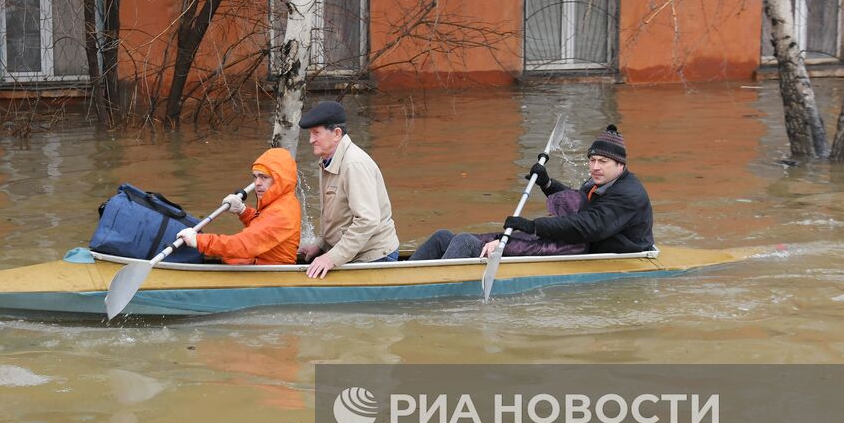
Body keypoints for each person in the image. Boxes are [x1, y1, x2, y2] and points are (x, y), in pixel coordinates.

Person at [494, 123, 654, 255]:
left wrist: (535, 226)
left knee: (530, 240)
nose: (595, 167)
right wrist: (547, 184)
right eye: (592, 160)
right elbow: (577, 203)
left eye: (603, 161)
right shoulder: (601, 180)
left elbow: (589, 225)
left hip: (623, 254)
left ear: (621, 165)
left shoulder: (628, 194)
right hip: (592, 243)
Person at [296, 100, 400, 278]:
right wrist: (320, 244)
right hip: (353, 252)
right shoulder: (327, 159)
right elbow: (336, 217)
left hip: (375, 257)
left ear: (336, 134)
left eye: (316, 133)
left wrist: (331, 258)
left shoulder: (354, 164)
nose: (311, 139)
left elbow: (367, 221)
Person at [177, 148, 301, 265]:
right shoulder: (281, 201)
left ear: (280, 180)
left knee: (233, 254)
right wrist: (243, 211)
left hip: (273, 275)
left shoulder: (282, 212)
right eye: (255, 176)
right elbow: (262, 225)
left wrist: (199, 241)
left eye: (264, 177)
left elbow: (244, 245)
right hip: (264, 263)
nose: (257, 183)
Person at [409, 189, 587, 261]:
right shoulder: (558, 230)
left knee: (463, 240)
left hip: (502, 255)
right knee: (443, 236)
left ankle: (433, 283)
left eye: (554, 213)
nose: (550, 215)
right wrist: (495, 238)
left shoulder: (571, 243)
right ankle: (403, 275)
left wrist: (502, 243)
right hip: (500, 248)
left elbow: (531, 248)